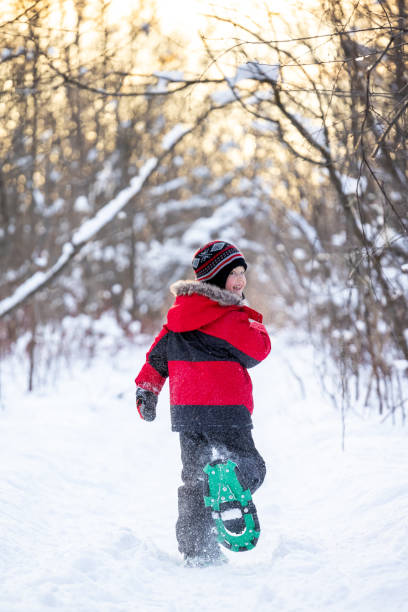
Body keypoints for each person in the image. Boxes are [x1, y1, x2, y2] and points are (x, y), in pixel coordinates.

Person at [134, 240, 271, 567]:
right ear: (215, 279)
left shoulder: (176, 320)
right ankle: (233, 478)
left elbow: (157, 359)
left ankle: (198, 550)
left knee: (195, 481)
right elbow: (258, 350)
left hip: (188, 415)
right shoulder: (228, 318)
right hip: (227, 410)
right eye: (232, 274)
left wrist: (147, 391)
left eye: (242, 273)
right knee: (251, 465)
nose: (240, 280)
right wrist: (249, 318)